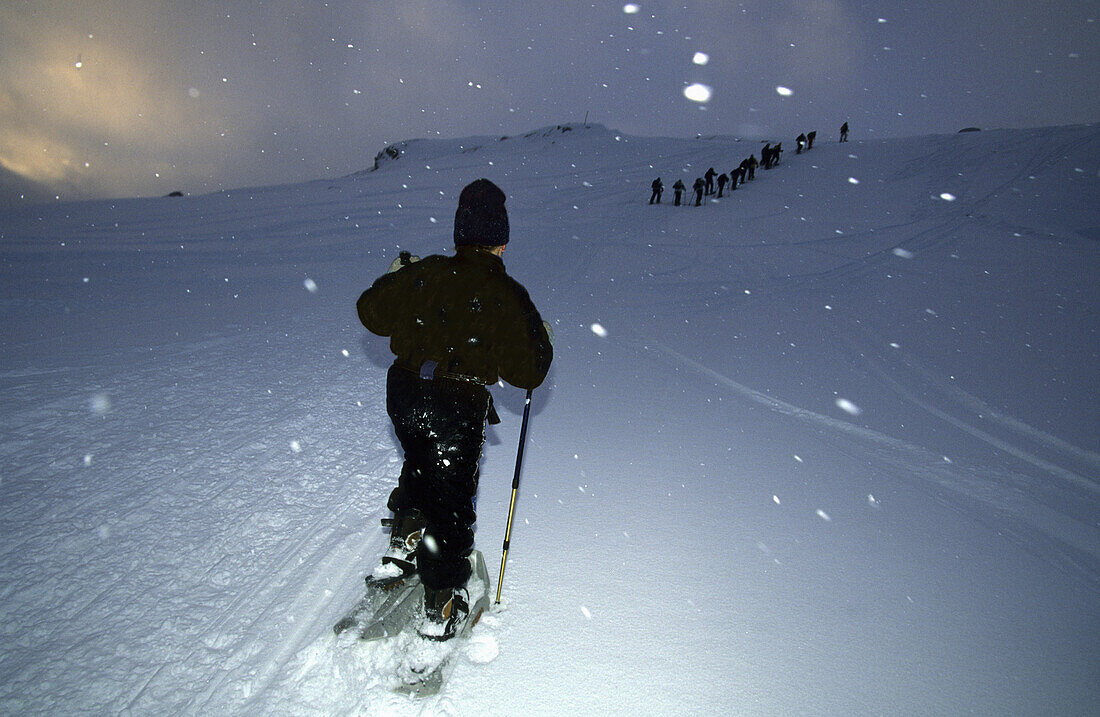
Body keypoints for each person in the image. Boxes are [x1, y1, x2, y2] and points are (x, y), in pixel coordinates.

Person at [357, 178, 553, 641]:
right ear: (502, 242)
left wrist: (399, 276)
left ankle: (407, 538)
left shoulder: (427, 273)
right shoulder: (507, 294)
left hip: (405, 393)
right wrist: (540, 339)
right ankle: (442, 603)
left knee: (420, 462)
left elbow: (371, 311)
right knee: (451, 501)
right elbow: (528, 371)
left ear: (458, 234)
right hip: (456, 403)